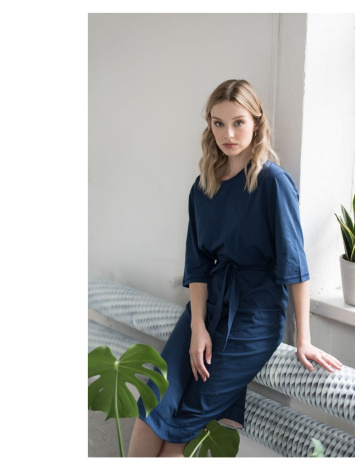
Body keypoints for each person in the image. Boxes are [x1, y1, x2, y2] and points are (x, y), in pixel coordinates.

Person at [128, 79, 342, 457]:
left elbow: (295, 266)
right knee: (152, 406)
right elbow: (197, 266)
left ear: (256, 124)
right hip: (207, 308)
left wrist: (303, 339)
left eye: (238, 122)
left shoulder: (273, 183)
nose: (228, 134)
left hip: (254, 317)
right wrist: (197, 327)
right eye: (219, 123)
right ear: (209, 126)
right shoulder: (203, 187)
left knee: (181, 427)